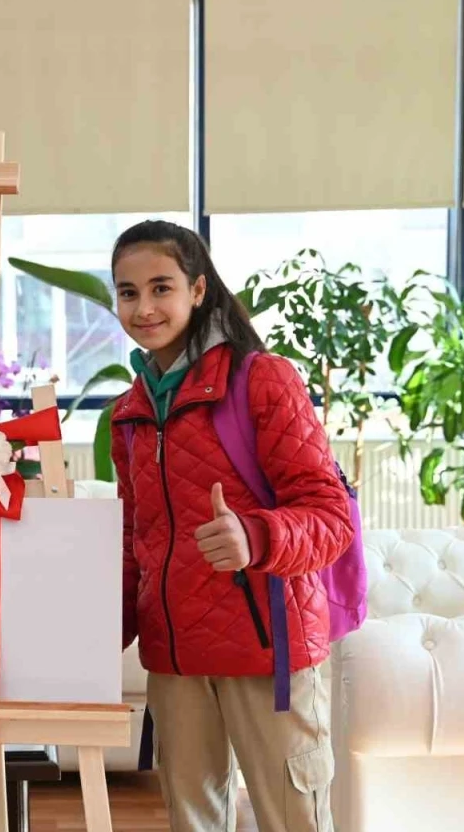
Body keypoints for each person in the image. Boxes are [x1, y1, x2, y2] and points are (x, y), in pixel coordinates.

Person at [108, 220, 353, 832]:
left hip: (269, 651)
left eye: (161, 288)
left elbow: (330, 516)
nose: (143, 308)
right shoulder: (130, 413)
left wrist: (256, 536)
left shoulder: (262, 379)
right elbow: (134, 541)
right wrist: (99, 633)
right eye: (128, 292)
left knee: (295, 821)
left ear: (197, 290)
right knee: (192, 823)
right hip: (174, 661)